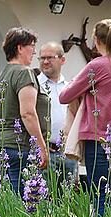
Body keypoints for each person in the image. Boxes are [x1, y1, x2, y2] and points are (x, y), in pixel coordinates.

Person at [59, 19, 111, 217]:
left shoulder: (97, 65)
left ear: (95, 40)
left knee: (100, 195)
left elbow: (65, 96)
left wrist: (83, 87)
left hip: (100, 139)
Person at [0, 27, 49, 198]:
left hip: (1, 144)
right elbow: (27, 113)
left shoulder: (3, 74)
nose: (34, 51)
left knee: (8, 199)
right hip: (19, 146)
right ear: (19, 48)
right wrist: (41, 147)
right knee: (25, 203)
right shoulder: (24, 73)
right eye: (31, 46)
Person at [37, 42, 78, 183]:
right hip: (45, 153)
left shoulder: (70, 87)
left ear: (62, 60)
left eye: (50, 57)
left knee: (68, 200)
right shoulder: (34, 86)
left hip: (68, 154)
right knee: (43, 200)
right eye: (42, 58)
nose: (45, 61)